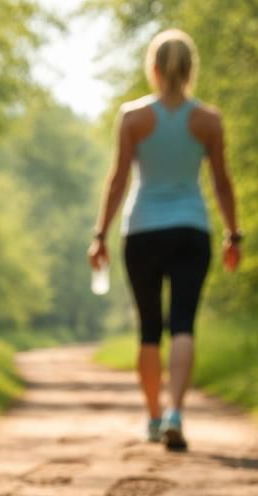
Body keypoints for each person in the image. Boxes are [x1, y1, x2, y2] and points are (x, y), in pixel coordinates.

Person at [89, 28, 241, 451]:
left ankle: (154, 418)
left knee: (149, 331)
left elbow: (118, 180)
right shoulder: (208, 120)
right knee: (184, 325)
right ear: (192, 70)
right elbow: (223, 184)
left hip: (142, 232)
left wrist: (99, 233)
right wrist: (234, 234)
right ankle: (176, 413)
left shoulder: (133, 117)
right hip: (192, 229)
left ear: (153, 70)